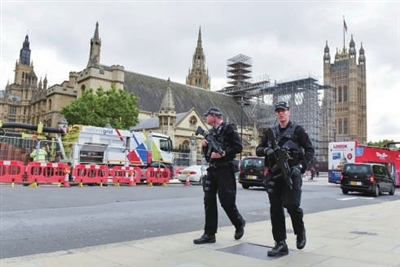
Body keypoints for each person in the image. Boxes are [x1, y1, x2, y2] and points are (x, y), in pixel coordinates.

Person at [256, 101, 314, 256]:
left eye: (284, 111)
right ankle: (280, 243)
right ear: (276, 114)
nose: (281, 113)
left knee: (292, 205)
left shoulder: (297, 130)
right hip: (274, 176)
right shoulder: (271, 132)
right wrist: (267, 150)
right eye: (278, 111)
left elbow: (309, 150)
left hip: (291, 174)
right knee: (275, 210)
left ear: (289, 112)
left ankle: (299, 231)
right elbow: (258, 149)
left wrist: (300, 167)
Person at [193, 107, 246, 244]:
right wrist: (205, 146)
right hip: (213, 169)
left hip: (225, 170)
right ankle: (209, 233)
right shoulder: (211, 133)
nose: (206, 118)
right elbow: (208, 156)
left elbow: (238, 147)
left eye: (207, 116)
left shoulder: (229, 128)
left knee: (227, 202)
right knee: (208, 201)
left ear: (214, 116)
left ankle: (239, 223)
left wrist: (223, 153)